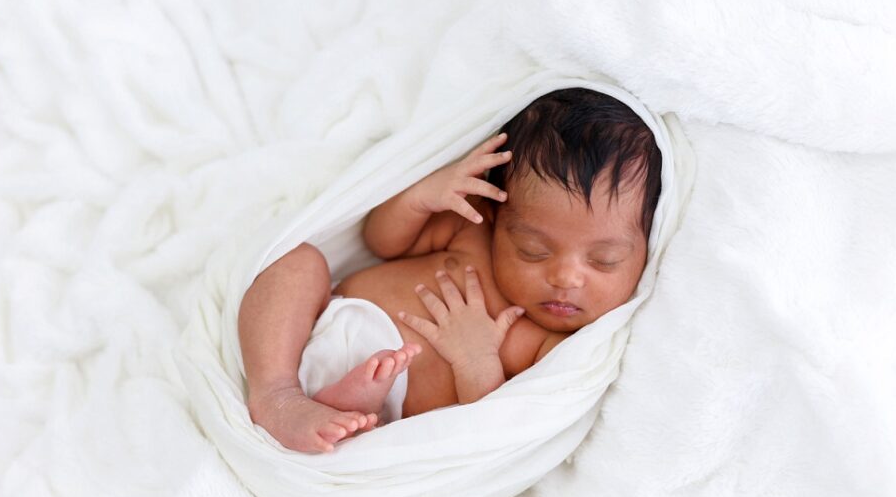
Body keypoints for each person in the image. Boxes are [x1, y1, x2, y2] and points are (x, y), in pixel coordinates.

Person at [238, 88, 662, 453]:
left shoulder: (549, 346)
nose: (566, 277)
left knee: (368, 425)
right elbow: (382, 242)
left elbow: (495, 426)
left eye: (604, 260)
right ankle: (277, 391)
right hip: (314, 326)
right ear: (498, 217)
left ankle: (350, 408)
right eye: (533, 250)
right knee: (297, 260)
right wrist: (423, 197)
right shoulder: (473, 230)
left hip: (386, 409)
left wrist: (477, 360)